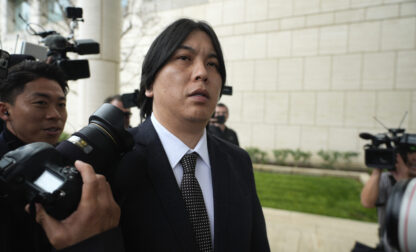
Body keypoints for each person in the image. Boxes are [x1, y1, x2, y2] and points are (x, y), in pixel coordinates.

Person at [112, 18, 270, 251]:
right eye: (184, 58)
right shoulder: (116, 160)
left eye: (213, 64)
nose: (202, 73)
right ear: (149, 84)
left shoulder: (238, 162)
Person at [0, 61, 123, 252]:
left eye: (61, 104)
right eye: (40, 103)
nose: (55, 114)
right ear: (4, 110)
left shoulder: (79, 166)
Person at [360, 147, 416, 252]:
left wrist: (403, 182)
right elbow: (367, 202)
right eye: (411, 153)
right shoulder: (387, 179)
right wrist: (377, 170)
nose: (414, 158)